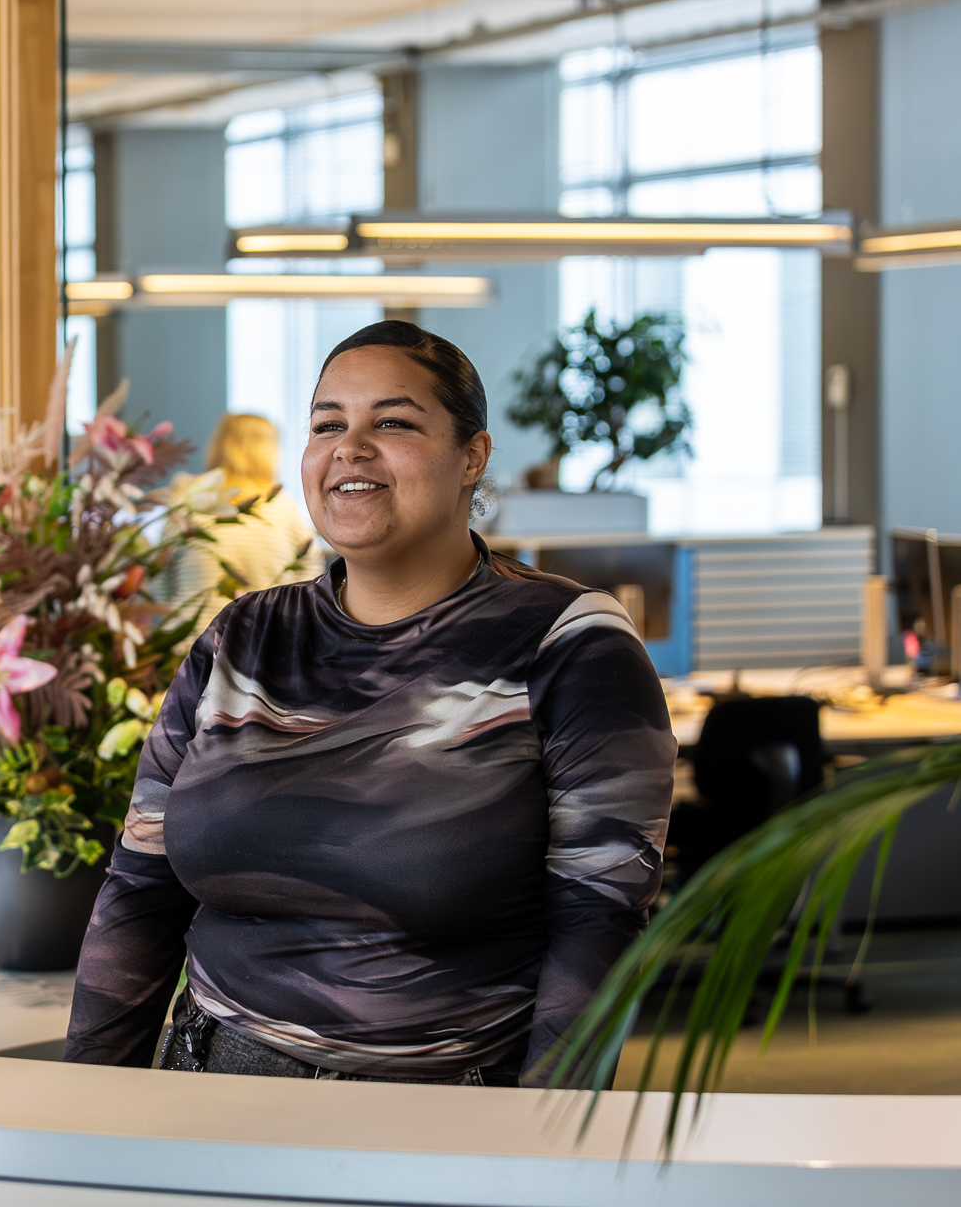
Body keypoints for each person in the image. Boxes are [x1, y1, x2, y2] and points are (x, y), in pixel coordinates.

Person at [63, 320, 674, 1087]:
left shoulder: (568, 642)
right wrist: (86, 1102)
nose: (349, 448)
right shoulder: (242, 638)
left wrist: (545, 1138)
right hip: (213, 1087)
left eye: (392, 423)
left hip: (445, 1112)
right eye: (327, 425)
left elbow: (598, 922)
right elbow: (138, 890)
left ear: (472, 457)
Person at [157, 412, 320, 637]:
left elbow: (159, 580)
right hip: (260, 647)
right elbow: (310, 586)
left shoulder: (187, 502)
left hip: (188, 645)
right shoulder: (286, 510)